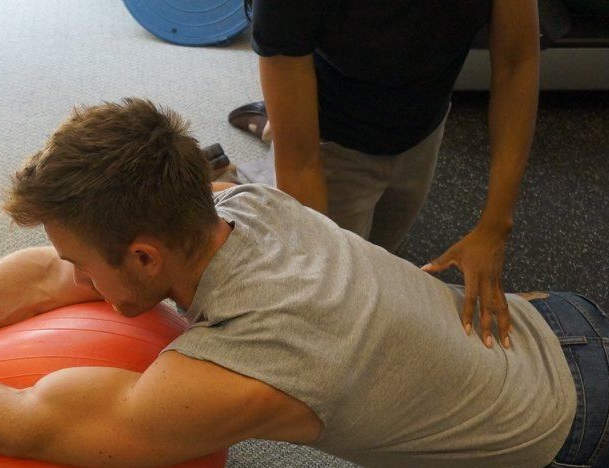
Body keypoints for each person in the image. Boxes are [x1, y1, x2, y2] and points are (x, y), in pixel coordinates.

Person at [0, 99, 609, 468]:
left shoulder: (252, 369)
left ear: (142, 257)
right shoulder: (233, 203)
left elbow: (34, 424)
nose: (66, 273)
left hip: (596, 431)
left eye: (79, 256)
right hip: (547, 324)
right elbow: (41, 282)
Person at [224, 0, 541, 351]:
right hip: (330, 134)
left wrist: (495, 227)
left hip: (424, 124)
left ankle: (272, 127)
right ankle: (254, 154)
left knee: (378, 260)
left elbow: (517, 62)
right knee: (318, 285)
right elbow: (300, 161)